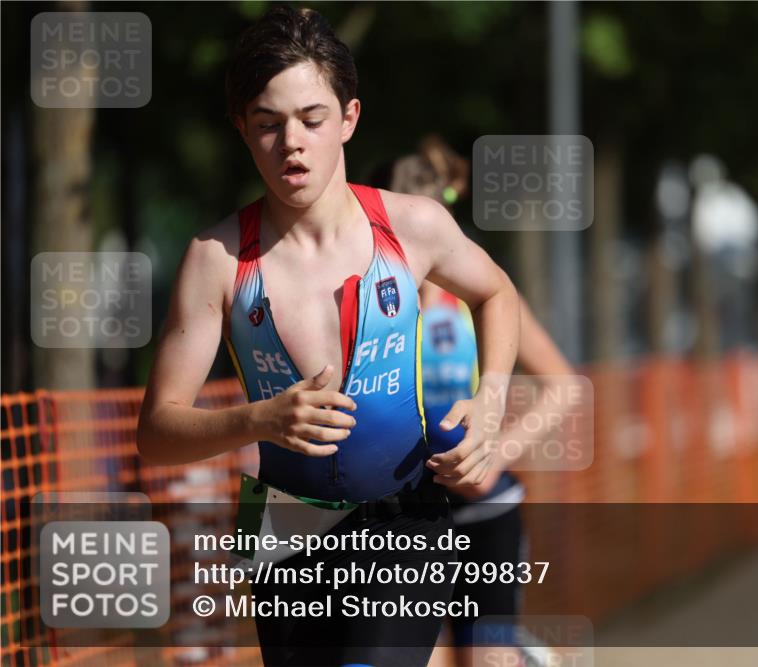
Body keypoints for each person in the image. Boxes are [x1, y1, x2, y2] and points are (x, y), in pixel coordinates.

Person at [136, 6, 519, 666]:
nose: (292, 142)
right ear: (241, 129)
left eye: (312, 119)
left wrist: (490, 405)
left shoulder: (413, 226)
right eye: (268, 124)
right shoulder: (217, 259)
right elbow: (155, 433)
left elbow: (498, 293)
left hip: (405, 514)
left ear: (348, 119)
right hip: (284, 528)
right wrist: (260, 419)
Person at [377, 139, 576, 667]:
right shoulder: (368, 310)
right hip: (402, 515)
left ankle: (519, 656)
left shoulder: (480, 302)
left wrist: (497, 451)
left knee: (484, 658)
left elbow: (564, 385)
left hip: (484, 508)